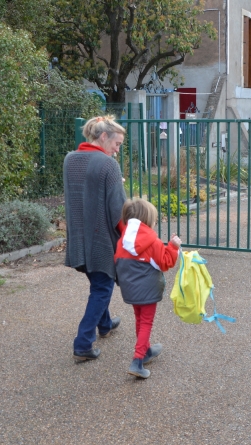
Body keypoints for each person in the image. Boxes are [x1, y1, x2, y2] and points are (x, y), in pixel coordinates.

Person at [63, 115, 127, 361]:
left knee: (97, 281)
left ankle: (106, 324)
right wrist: (127, 236)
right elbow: (117, 208)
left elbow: (85, 189)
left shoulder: (70, 160)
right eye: (117, 144)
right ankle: (83, 343)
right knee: (103, 286)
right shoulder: (108, 165)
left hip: (79, 237)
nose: (117, 149)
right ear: (103, 137)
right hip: (101, 238)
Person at [114, 199, 181, 379]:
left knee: (139, 318)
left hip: (130, 289)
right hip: (148, 289)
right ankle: (137, 361)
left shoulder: (123, 240)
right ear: (147, 219)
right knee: (146, 322)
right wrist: (173, 247)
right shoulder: (152, 241)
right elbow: (166, 262)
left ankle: (146, 350)